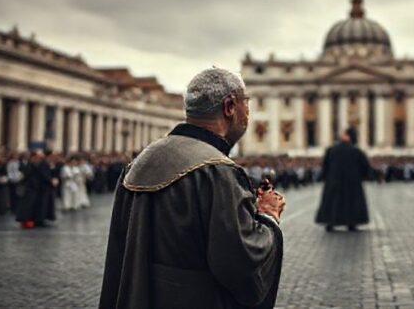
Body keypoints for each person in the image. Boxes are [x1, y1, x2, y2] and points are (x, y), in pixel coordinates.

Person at [100, 67, 285, 309]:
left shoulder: (139, 162)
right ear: (230, 107)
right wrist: (268, 216)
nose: (248, 112)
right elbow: (241, 264)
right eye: (246, 102)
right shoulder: (218, 173)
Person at [315, 127, 370, 232]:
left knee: (333, 203)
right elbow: (365, 168)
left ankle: (330, 222)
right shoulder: (356, 151)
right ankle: (351, 223)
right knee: (351, 203)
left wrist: (323, 177)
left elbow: (325, 167)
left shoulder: (332, 150)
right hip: (352, 183)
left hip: (333, 182)